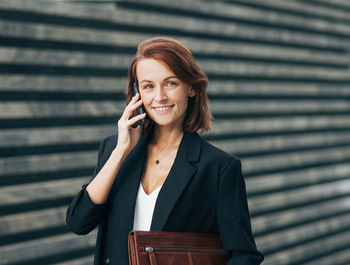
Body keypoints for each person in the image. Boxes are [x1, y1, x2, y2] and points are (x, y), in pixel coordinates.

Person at [66, 36, 263, 265]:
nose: (159, 97)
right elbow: (78, 222)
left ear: (190, 87)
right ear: (137, 93)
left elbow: (244, 255)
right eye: (148, 86)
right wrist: (121, 151)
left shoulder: (219, 167)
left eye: (171, 83)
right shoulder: (114, 149)